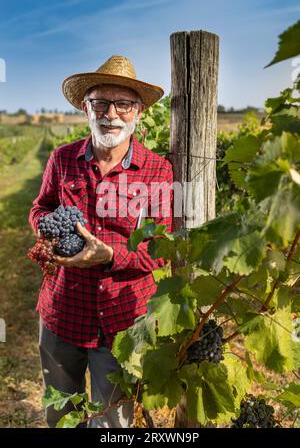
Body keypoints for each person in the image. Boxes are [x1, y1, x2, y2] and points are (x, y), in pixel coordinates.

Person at [29, 55, 174, 428]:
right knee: (61, 413)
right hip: (63, 311)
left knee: (114, 423)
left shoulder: (157, 171)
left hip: (124, 320)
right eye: (100, 103)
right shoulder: (62, 160)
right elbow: (41, 208)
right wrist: (49, 231)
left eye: (123, 104)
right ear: (85, 108)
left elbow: (160, 249)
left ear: (138, 112)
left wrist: (109, 255)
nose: (112, 113)